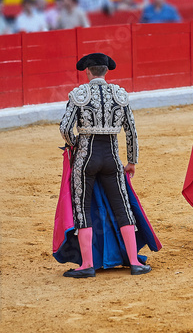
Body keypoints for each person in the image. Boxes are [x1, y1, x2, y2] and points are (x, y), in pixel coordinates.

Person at [58, 53, 155, 278]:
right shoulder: (120, 95)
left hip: (86, 158)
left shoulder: (78, 94)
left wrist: (75, 146)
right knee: (122, 208)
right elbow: (131, 130)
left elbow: (64, 128)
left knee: (82, 209)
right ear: (106, 71)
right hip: (111, 158)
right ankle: (134, 262)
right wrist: (131, 161)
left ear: (88, 71)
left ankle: (87, 265)